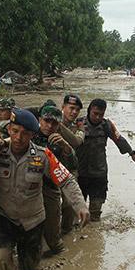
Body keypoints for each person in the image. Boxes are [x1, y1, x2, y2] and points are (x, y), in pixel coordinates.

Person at [0, 109, 89, 270]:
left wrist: (80, 205)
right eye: (15, 131)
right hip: (5, 218)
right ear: (9, 129)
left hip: (32, 222)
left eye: (24, 134)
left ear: (32, 135)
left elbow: (66, 180)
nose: (18, 138)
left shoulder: (43, 155)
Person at [76, 99, 135, 221]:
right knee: (77, 211)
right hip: (80, 173)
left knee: (95, 212)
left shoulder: (107, 125)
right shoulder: (78, 124)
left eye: (100, 114)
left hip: (99, 174)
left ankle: (94, 236)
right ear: (89, 111)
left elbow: (119, 139)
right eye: (94, 113)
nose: (97, 117)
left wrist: (132, 154)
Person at [33, 106, 78, 257]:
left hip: (50, 187)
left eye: (54, 123)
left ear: (59, 125)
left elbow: (72, 167)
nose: (49, 126)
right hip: (29, 187)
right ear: (40, 120)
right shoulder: (29, 134)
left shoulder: (59, 140)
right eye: (46, 121)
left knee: (53, 234)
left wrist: (66, 148)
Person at [57, 94, 85, 234]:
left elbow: (76, 142)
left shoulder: (76, 126)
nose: (74, 112)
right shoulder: (51, 121)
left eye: (77, 110)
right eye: (71, 108)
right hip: (52, 168)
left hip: (69, 168)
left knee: (68, 203)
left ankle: (66, 231)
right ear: (63, 107)